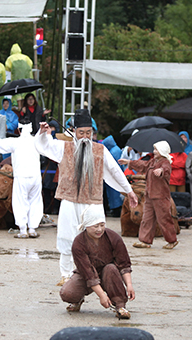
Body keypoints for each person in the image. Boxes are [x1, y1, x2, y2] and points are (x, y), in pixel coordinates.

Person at [35, 109, 138, 285]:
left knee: (96, 237)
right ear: (74, 131)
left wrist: (129, 191)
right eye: (81, 132)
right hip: (69, 200)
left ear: (93, 133)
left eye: (88, 133)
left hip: (93, 201)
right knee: (67, 236)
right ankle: (66, 274)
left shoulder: (100, 150)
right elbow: (45, 146)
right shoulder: (64, 147)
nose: (85, 136)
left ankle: (95, 273)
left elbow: (115, 170)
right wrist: (43, 133)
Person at [59, 207, 135, 319]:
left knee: (111, 268)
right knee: (67, 292)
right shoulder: (79, 242)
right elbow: (88, 273)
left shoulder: (113, 237)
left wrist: (129, 285)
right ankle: (77, 301)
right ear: (86, 225)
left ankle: (120, 306)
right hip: (86, 275)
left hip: (109, 273)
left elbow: (124, 263)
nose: (99, 229)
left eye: (102, 225)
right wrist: (101, 295)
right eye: (95, 226)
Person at [0, 121, 43, 238]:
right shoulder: (36, 141)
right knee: (35, 201)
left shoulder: (16, 142)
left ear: (19, 129)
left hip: (21, 177)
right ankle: (32, 229)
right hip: (35, 177)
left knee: (21, 202)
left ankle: (23, 230)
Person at [120, 141, 178, 250]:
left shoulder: (165, 162)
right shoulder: (153, 161)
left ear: (162, 151)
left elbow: (166, 169)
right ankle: (145, 241)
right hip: (150, 195)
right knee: (147, 219)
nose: (154, 151)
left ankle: (171, 240)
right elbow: (143, 165)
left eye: (156, 149)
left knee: (164, 219)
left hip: (160, 196)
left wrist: (161, 171)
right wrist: (129, 162)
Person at [5, 43, 33, 110]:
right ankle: (24, 110)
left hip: (16, 79)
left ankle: (20, 109)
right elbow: (31, 64)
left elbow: (7, 67)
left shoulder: (10, 58)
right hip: (26, 80)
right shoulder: (26, 57)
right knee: (25, 95)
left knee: (18, 95)